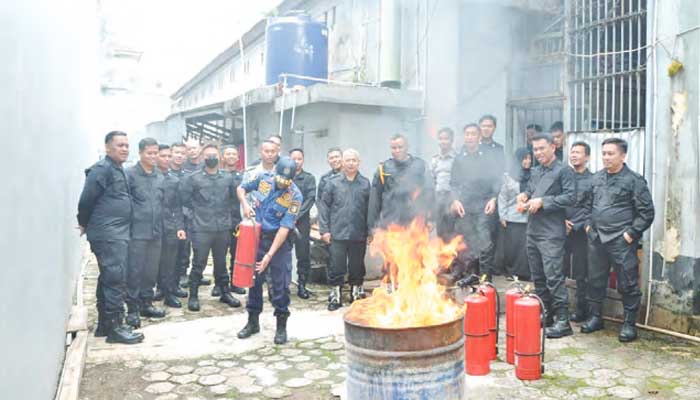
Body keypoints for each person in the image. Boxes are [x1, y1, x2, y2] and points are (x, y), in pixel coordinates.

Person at [582, 138, 654, 342]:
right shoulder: (596, 179)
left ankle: (629, 324)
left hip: (620, 240)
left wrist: (630, 234)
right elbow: (587, 206)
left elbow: (646, 212)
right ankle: (596, 317)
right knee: (595, 280)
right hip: (597, 238)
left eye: (610, 153)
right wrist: (588, 225)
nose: (606, 157)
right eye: (604, 153)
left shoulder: (634, 180)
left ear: (623, 156)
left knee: (628, 282)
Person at [77, 131, 144, 344]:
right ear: (107, 148)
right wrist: (83, 223)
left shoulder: (118, 169)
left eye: (126, 145)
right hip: (108, 234)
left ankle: (105, 324)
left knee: (109, 276)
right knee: (115, 278)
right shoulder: (101, 170)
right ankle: (116, 327)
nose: (124, 149)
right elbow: (86, 200)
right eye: (119, 145)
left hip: (118, 232)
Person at [236, 156, 303, 344]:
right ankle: (252, 322)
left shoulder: (295, 196)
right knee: (254, 281)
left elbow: (285, 228)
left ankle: (281, 326)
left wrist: (269, 255)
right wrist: (245, 204)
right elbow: (241, 188)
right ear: (275, 172)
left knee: (281, 285)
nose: (283, 183)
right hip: (257, 238)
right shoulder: (263, 178)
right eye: (280, 178)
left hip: (279, 243)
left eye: (287, 181)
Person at [517, 132, 575, 338]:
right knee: (538, 277)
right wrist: (524, 196)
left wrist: (544, 202)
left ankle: (563, 320)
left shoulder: (564, 171)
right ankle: (546, 313)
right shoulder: (534, 172)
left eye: (542, 148)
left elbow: (570, 197)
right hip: (533, 230)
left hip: (551, 232)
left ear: (553, 147)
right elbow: (531, 191)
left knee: (554, 277)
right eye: (535, 149)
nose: (538, 153)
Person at [179, 144, 242, 311]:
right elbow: (184, 201)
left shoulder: (227, 178)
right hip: (201, 228)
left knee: (221, 262)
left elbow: (234, 201)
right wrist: (194, 217)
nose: (211, 158)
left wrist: (232, 220)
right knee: (199, 263)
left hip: (222, 227)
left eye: (214, 155)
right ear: (202, 158)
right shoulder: (193, 178)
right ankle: (193, 295)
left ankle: (225, 292)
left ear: (219, 157)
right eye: (208, 155)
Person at [319, 149, 371, 311]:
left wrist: (370, 232)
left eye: (354, 160)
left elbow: (370, 209)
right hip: (337, 232)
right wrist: (324, 230)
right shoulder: (333, 182)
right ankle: (336, 295)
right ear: (343, 162)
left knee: (357, 265)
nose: (350, 163)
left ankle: (356, 293)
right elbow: (324, 207)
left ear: (358, 162)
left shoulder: (365, 183)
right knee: (337, 266)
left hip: (358, 233)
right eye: (347, 160)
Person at [449, 124, 501, 281]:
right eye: (467, 134)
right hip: (465, 206)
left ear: (479, 137)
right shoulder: (459, 158)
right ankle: (471, 275)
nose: (470, 137)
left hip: (483, 205)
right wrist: (455, 200)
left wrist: (494, 198)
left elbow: (496, 179)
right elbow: (454, 183)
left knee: (484, 242)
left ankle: (485, 278)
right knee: (466, 241)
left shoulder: (488, 156)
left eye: (473, 134)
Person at [125, 138, 167, 328]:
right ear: (141, 153)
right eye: (149, 153)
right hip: (137, 233)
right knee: (135, 272)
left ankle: (146, 304)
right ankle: (132, 310)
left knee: (151, 271)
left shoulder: (159, 176)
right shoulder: (130, 175)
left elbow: (162, 204)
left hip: (156, 232)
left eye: (155, 153)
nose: (153, 156)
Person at [368, 134, 433, 234]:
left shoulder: (420, 165)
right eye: (394, 148)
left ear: (407, 147)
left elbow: (429, 192)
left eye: (400, 147)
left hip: (415, 225)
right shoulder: (383, 168)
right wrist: (372, 226)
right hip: (390, 225)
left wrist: (431, 219)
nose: (397, 150)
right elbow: (375, 199)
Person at [170, 142, 207, 290]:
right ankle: (181, 275)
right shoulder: (171, 171)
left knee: (198, 246)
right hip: (177, 214)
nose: (180, 155)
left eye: (182, 152)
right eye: (176, 152)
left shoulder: (201, 168)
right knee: (182, 247)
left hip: (194, 213)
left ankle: (196, 274)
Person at [564, 141, 594, 322]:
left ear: (587, 157)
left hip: (582, 231)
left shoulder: (593, 180)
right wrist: (562, 221)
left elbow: (591, 207)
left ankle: (581, 309)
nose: (573, 155)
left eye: (578, 152)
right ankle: (557, 308)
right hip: (560, 229)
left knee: (581, 273)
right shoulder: (563, 176)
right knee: (557, 270)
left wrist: (576, 224)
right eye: (572, 152)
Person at [155, 144, 188, 308]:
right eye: (163, 156)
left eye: (169, 156)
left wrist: (180, 227)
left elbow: (177, 206)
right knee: (155, 261)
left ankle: (170, 291)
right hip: (150, 227)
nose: (167, 159)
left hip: (170, 226)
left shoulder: (173, 180)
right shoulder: (150, 177)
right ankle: (159, 288)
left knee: (171, 261)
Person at [212, 145, 246, 297]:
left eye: (234, 154)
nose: (231, 156)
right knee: (219, 254)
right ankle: (219, 284)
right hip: (220, 220)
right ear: (222, 157)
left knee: (236, 253)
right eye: (228, 154)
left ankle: (235, 282)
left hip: (238, 220)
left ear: (238, 158)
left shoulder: (243, 176)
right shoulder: (216, 175)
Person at [496, 148, 531, 281]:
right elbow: (503, 197)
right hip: (512, 217)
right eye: (524, 158)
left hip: (529, 218)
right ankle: (512, 272)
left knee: (526, 248)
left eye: (529, 158)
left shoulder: (534, 175)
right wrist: (502, 215)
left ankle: (526, 274)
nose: (527, 161)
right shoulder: (507, 177)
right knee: (513, 248)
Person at [289, 148, 317, 299]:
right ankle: (281, 285)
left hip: (302, 223)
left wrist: (296, 215)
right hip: (283, 222)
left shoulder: (309, 178)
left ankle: (302, 285)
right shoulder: (283, 177)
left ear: (303, 160)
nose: (296, 161)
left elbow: (310, 199)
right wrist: (288, 217)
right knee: (283, 255)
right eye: (293, 158)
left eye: (299, 159)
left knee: (303, 256)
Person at [431, 127, 457, 240]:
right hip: (438, 199)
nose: (443, 141)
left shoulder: (457, 158)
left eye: (446, 138)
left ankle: (453, 257)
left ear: (451, 140)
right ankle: (442, 257)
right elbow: (432, 180)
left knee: (452, 233)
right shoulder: (434, 160)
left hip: (452, 198)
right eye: (440, 138)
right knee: (440, 233)